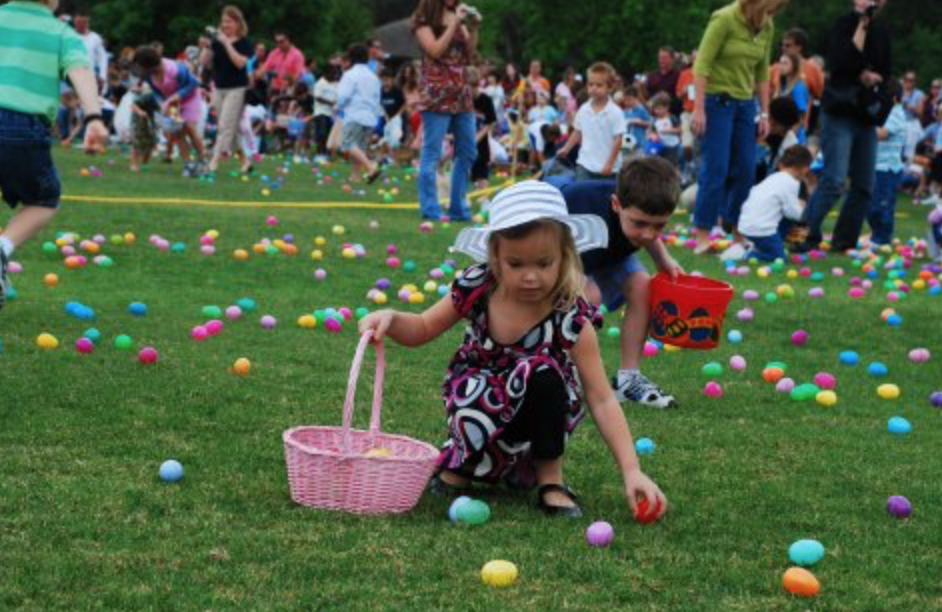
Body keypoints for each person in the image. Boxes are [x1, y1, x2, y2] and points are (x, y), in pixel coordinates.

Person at [358, 181, 669, 518]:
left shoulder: (571, 315)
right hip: (477, 401)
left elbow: (602, 397)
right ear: (495, 257)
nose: (531, 277)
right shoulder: (478, 287)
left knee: (542, 373)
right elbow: (422, 327)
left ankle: (550, 479)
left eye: (544, 263)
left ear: (565, 256)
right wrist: (391, 317)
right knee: (478, 386)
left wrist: (631, 470)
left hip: (539, 413)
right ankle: (464, 465)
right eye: (516, 264)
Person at [0, 0, 108, 312]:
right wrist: (93, 117)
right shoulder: (61, 33)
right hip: (24, 127)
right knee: (43, 200)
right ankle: (3, 249)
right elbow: (81, 71)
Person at [556, 157, 683, 409]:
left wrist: (663, 259)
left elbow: (647, 234)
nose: (648, 234)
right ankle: (563, 374)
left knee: (642, 286)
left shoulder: (638, 220)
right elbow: (547, 235)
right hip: (562, 250)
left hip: (606, 254)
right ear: (616, 204)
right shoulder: (578, 200)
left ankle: (629, 380)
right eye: (639, 223)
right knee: (587, 296)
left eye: (658, 226)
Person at [797, 0, 892, 253]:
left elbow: (887, 68)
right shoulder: (844, 24)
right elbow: (842, 62)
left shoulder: (882, 31)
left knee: (863, 184)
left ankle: (843, 241)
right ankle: (803, 234)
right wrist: (861, 27)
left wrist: (875, 77)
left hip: (865, 116)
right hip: (839, 112)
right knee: (834, 179)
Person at [691, 0, 785, 255]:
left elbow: (762, 72)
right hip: (716, 102)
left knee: (746, 170)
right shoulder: (724, 18)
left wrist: (764, 112)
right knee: (717, 169)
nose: (772, 14)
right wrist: (698, 108)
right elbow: (702, 64)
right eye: (770, 8)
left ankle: (736, 230)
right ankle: (702, 234)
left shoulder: (767, 25)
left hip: (745, 105)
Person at [411, 0, 480, 221]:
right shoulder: (423, 20)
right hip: (436, 95)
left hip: (462, 95)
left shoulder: (457, 16)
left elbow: (469, 55)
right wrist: (454, 25)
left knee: (468, 152)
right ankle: (430, 209)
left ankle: (459, 208)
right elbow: (435, 50)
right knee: (432, 153)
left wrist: (474, 28)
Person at [133, 45, 207, 178]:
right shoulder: (149, 75)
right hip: (172, 104)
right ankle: (188, 165)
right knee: (178, 132)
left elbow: (193, 83)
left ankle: (203, 160)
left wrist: (176, 96)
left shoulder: (174, 69)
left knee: (190, 128)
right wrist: (163, 103)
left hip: (189, 98)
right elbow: (156, 91)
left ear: (150, 64)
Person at [737, 145, 813, 261]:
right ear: (805, 169)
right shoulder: (791, 182)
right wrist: (804, 210)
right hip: (760, 229)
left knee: (785, 218)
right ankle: (748, 254)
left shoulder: (773, 178)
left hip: (746, 224)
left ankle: (768, 244)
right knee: (780, 258)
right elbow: (791, 212)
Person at [202, 6, 253, 175]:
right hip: (219, 88)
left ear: (238, 23)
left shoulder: (245, 43)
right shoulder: (217, 41)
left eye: (229, 21)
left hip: (237, 88)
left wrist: (226, 43)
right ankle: (245, 160)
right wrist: (208, 46)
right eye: (223, 21)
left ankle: (213, 162)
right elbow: (204, 62)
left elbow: (240, 63)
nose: (225, 25)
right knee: (228, 128)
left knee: (225, 126)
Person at [556, 62, 626, 181]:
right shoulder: (584, 109)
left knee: (605, 199)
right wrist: (566, 148)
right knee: (582, 196)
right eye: (590, 84)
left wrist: (609, 164)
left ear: (610, 87)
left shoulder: (615, 112)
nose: (594, 88)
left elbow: (618, 141)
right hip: (585, 164)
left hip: (608, 168)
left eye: (599, 85)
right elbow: (577, 132)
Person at [867, 81, 905, 246]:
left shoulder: (896, 113)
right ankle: (877, 234)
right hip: (877, 167)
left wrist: (865, 128)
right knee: (871, 205)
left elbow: (883, 133)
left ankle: (882, 238)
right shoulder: (885, 112)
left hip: (888, 169)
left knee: (882, 206)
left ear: (894, 99)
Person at [337, 44, 382, 183]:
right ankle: (355, 176)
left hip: (355, 114)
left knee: (347, 143)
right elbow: (377, 98)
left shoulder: (350, 74)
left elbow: (343, 96)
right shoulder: (373, 77)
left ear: (351, 58)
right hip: (370, 117)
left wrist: (339, 107)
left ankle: (371, 166)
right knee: (359, 148)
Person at [470, 68, 497, 190]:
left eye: (473, 87)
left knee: (482, 170)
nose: (471, 91)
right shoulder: (462, 100)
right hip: (465, 140)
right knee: (464, 169)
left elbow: (491, 122)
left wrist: (477, 137)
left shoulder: (486, 100)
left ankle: (484, 198)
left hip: (481, 141)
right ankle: (461, 199)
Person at [775, 51, 810, 143]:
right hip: (783, 135)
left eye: (785, 63)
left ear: (794, 66)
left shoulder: (798, 87)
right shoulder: (783, 86)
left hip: (794, 138)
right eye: (780, 63)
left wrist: (790, 137)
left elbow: (801, 117)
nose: (781, 66)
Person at [256, 32, 305, 96]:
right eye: (277, 42)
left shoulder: (297, 55)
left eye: (282, 42)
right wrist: (259, 73)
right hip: (275, 89)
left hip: (290, 90)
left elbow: (298, 76)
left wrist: (288, 77)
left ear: (289, 40)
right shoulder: (274, 53)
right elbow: (265, 67)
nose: (279, 44)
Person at [73, 10, 108, 91]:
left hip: (89, 76)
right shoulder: (68, 35)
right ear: (74, 21)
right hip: (71, 76)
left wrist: (102, 76)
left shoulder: (95, 38)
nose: (80, 25)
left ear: (87, 22)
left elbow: (103, 58)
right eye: (78, 22)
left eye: (83, 22)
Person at [312, 64, 339, 158]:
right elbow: (317, 97)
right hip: (321, 112)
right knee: (322, 133)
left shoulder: (336, 84)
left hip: (332, 114)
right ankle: (320, 153)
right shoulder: (320, 83)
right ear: (326, 73)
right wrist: (331, 103)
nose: (334, 75)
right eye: (332, 73)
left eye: (335, 73)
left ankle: (327, 154)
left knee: (329, 135)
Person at [648, 93, 682, 166]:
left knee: (672, 164)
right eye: (655, 109)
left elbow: (680, 130)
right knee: (662, 164)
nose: (657, 111)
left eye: (659, 109)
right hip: (661, 146)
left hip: (673, 146)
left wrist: (670, 131)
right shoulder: (655, 120)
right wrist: (653, 136)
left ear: (667, 107)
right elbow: (652, 131)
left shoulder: (672, 118)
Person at [645, 47, 680, 115]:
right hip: (653, 116)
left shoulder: (678, 75)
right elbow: (647, 96)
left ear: (672, 59)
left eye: (664, 57)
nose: (661, 60)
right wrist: (640, 89)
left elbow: (679, 98)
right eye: (660, 57)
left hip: (672, 116)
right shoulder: (652, 75)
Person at [622, 84, 651, 153]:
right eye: (625, 100)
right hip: (627, 142)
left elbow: (649, 123)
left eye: (629, 100)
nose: (627, 102)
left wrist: (638, 122)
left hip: (639, 142)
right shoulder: (625, 111)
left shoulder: (641, 110)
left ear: (636, 98)